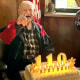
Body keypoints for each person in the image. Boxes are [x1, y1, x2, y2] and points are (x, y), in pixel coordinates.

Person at [5, 1, 54, 80]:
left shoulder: (39, 27)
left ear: (34, 12)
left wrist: (45, 62)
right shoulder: (13, 25)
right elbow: (7, 40)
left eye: (30, 10)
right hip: (19, 67)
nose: (28, 12)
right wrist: (18, 26)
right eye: (24, 10)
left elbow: (48, 46)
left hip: (36, 66)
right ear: (19, 12)